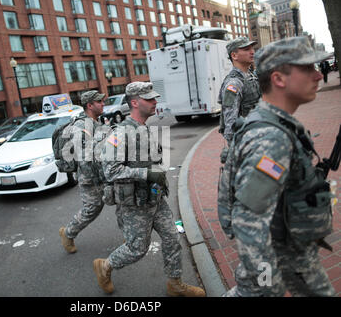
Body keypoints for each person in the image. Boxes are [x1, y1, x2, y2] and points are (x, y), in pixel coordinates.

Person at [218, 36, 335, 297]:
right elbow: (249, 225)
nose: (318, 76)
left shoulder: (278, 125)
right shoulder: (271, 140)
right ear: (279, 80)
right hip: (276, 253)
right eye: (307, 69)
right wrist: (268, 283)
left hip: (290, 246)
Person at [93, 82, 206, 297]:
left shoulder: (145, 127)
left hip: (155, 197)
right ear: (135, 102)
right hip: (135, 204)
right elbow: (111, 170)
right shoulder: (120, 134)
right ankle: (105, 266)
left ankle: (175, 283)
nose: (155, 102)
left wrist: (158, 176)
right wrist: (146, 174)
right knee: (137, 249)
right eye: (150, 99)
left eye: (155, 98)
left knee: (172, 238)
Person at [59, 90, 106, 253]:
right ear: (89, 105)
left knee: (123, 200)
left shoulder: (96, 123)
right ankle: (68, 233)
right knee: (92, 209)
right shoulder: (81, 127)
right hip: (91, 178)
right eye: (99, 102)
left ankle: (131, 236)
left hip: (105, 174)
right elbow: (85, 160)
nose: (103, 104)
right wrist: (100, 179)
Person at [218, 37, 261, 142]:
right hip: (247, 143)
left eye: (252, 48)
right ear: (234, 55)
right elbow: (231, 124)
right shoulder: (234, 83)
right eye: (246, 49)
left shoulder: (251, 77)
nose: (252, 52)